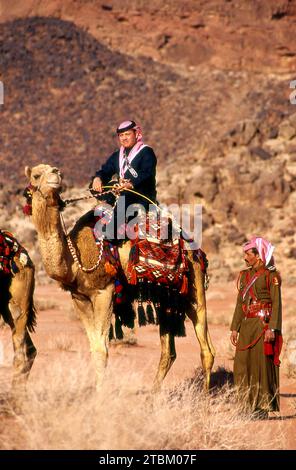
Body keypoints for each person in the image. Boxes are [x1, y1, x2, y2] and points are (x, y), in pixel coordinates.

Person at [230, 236, 282, 420]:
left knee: (260, 365)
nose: (245, 257)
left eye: (248, 253)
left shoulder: (271, 276)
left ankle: (262, 407)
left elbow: (276, 304)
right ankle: (245, 405)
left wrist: (273, 328)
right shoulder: (244, 275)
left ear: (258, 255)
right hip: (246, 325)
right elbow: (239, 303)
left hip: (263, 325)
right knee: (242, 365)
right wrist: (234, 327)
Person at [91, 120, 157, 240]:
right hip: (121, 193)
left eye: (127, 134)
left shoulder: (146, 152)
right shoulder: (118, 155)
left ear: (136, 134)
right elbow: (105, 170)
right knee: (94, 187)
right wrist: (98, 178)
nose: (124, 138)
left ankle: (112, 234)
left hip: (141, 196)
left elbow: (147, 173)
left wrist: (130, 184)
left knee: (124, 201)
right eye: (121, 135)